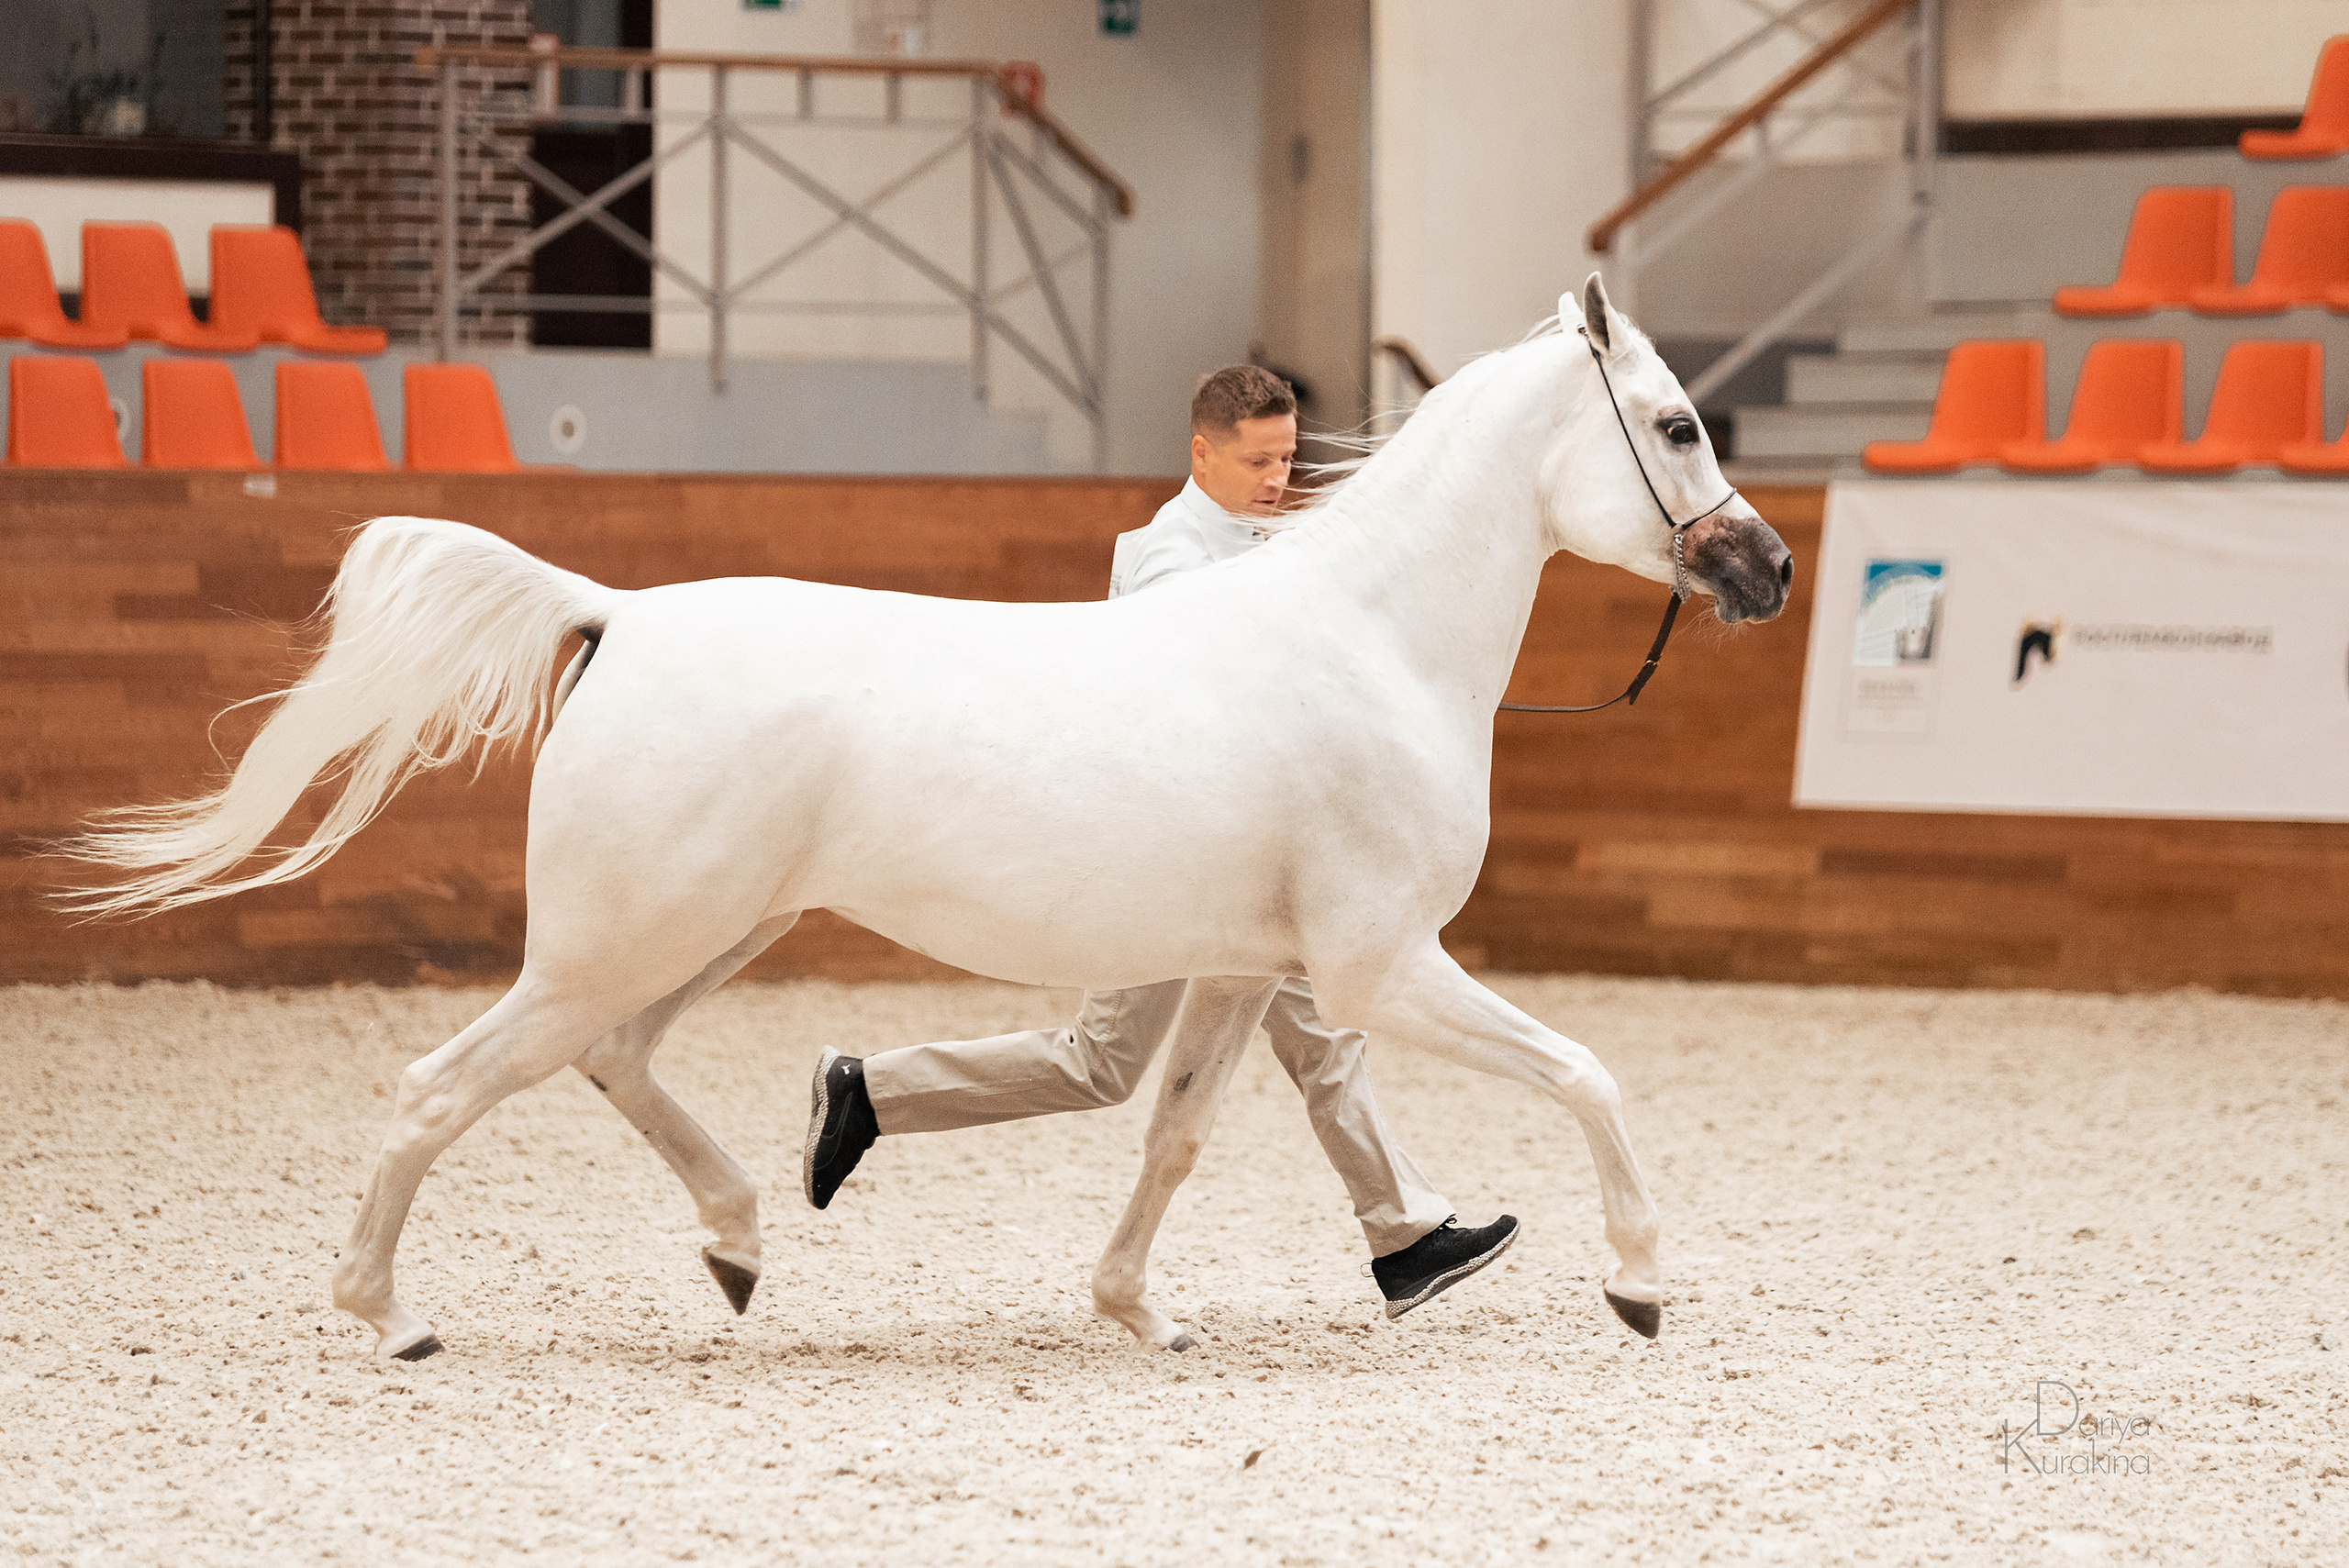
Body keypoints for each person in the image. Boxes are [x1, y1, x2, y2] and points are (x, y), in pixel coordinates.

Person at [802, 365, 1519, 1320]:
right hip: (1164, 860)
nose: (1277, 475)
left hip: (1245, 863)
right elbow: (1214, 681)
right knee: (1119, 1060)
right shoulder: (1170, 554)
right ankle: (1402, 1233)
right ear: (1202, 453)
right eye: (1258, 459)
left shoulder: (1278, 542)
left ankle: (1403, 1233)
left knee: (1270, 1036)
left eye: (1288, 456)